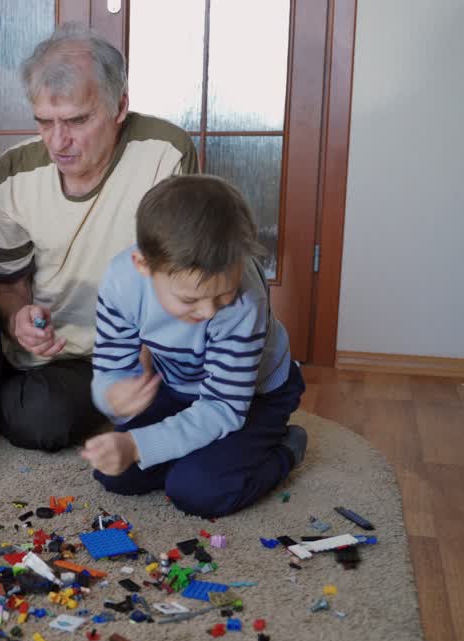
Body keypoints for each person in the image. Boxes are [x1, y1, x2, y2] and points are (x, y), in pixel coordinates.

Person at [0, 24, 198, 452]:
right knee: (23, 411)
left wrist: (143, 362)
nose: (58, 142)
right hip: (49, 356)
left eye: (77, 121)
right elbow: (8, 287)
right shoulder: (14, 173)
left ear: (119, 107)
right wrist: (17, 319)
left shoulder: (164, 154)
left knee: (46, 417)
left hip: (131, 352)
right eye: (45, 122)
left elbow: (183, 278)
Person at [79, 175, 308, 518]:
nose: (208, 311)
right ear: (144, 266)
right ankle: (203, 452)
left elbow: (222, 408)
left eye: (223, 294)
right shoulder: (120, 282)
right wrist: (113, 396)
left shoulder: (246, 301)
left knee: (196, 490)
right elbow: (111, 368)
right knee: (117, 475)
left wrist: (139, 444)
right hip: (178, 384)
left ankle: (285, 449)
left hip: (252, 397)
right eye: (189, 299)